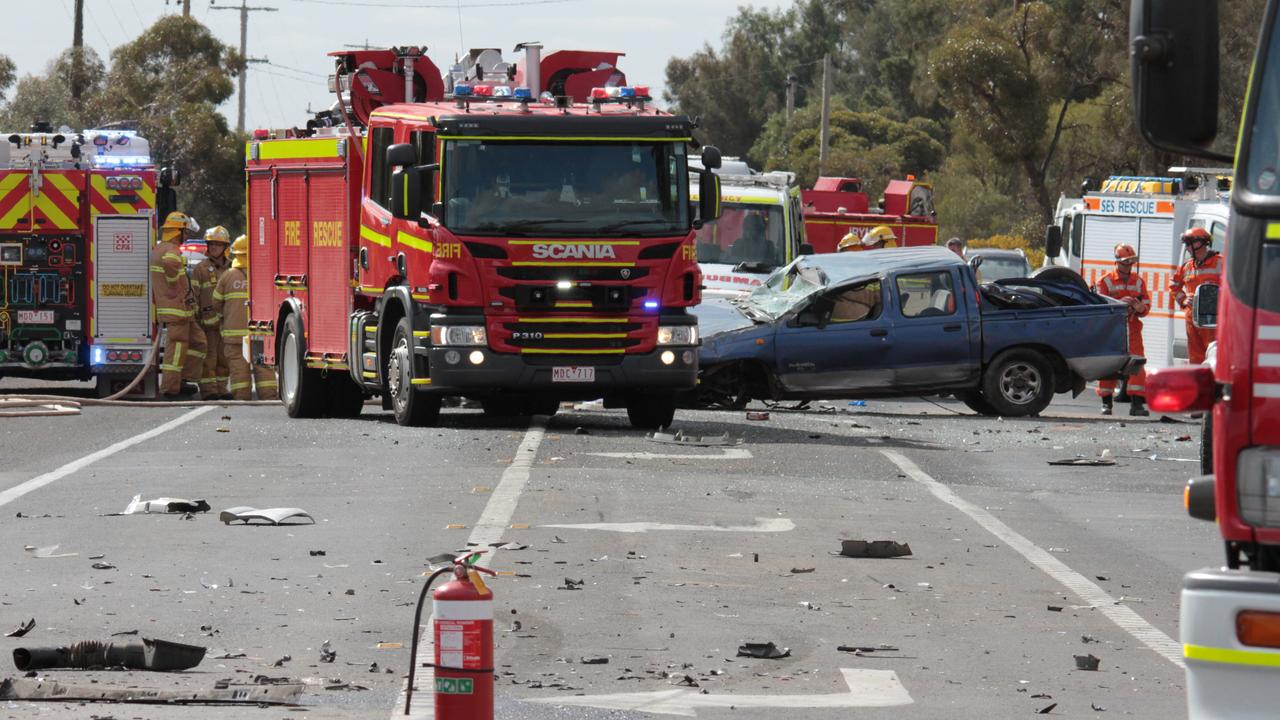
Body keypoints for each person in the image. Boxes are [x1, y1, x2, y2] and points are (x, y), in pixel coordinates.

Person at [213, 235, 278, 401]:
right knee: (263, 368)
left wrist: (226, 316)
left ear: (235, 254)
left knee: (238, 370)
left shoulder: (227, 276)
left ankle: (242, 399)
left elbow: (216, 302)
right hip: (260, 333)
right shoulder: (264, 274)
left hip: (234, 337)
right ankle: (269, 398)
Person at [150, 211, 207, 399]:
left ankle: (185, 378)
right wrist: (175, 283)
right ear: (177, 232)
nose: (187, 237)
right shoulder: (171, 251)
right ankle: (171, 388)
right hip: (177, 311)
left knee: (199, 342)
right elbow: (170, 267)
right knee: (176, 350)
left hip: (184, 311)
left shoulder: (161, 248)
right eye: (186, 233)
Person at [1094, 243, 1151, 416]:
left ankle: (1137, 404)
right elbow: (1099, 306)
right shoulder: (1105, 281)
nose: (1128, 266)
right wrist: (1121, 304)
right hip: (1112, 330)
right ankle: (1106, 403)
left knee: (1137, 364)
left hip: (1133, 329)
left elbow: (1147, 307)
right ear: (1117, 261)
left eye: (1131, 262)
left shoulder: (1139, 282)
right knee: (1109, 364)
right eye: (1125, 262)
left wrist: (1139, 306)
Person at [1169, 227, 1223, 364]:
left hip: (1213, 321)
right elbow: (1174, 285)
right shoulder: (1187, 267)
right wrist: (1183, 299)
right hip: (1192, 321)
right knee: (1195, 360)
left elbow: (1234, 287)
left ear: (1200, 243)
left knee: (1215, 359)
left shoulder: (1220, 263)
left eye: (1188, 244)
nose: (1186, 248)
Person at [192, 226, 232, 399]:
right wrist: (195, 319)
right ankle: (209, 391)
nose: (214, 247)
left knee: (224, 359)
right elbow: (193, 296)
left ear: (225, 247)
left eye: (218, 244)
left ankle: (222, 389)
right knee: (209, 358)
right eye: (211, 244)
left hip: (227, 323)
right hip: (206, 324)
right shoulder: (200, 269)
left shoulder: (232, 270)